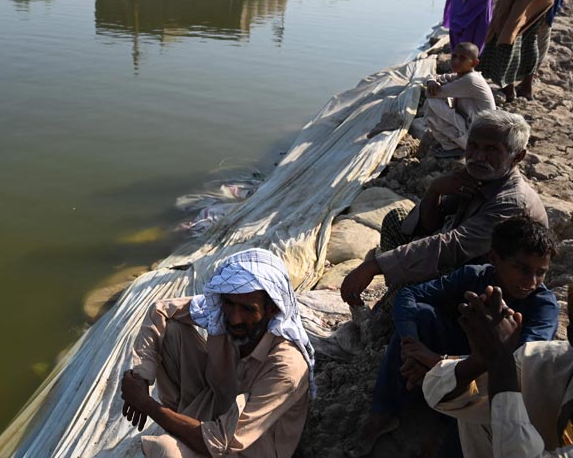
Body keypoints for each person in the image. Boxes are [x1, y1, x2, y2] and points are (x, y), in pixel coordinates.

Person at [345, 216, 558, 457]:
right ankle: (382, 413)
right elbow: (408, 296)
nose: (531, 282)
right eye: (522, 269)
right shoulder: (475, 277)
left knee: (481, 410)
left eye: (540, 273)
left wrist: (439, 361)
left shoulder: (543, 307)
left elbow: (518, 365)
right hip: (454, 362)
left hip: (492, 380)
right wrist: (411, 347)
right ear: (495, 259)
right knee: (422, 316)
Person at [120, 248, 314, 458]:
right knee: (171, 329)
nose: (234, 319)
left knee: (166, 451)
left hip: (245, 448)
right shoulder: (222, 315)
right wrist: (141, 377)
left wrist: (146, 404)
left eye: (248, 309)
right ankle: (179, 420)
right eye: (229, 304)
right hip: (216, 403)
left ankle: (178, 428)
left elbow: (219, 442)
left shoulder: (286, 367)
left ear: (271, 310)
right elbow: (160, 310)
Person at [340, 110, 547, 306]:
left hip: (491, 285)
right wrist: (435, 191)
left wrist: (375, 266)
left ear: (517, 157)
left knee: (416, 283)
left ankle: (394, 314)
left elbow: (453, 246)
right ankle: (394, 297)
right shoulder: (476, 177)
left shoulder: (511, 202)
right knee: (397, 218)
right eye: (473, 146)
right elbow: (428, 227)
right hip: (463, 262)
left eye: (491, 149)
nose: (478, 156)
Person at [423, 284, 573, 457]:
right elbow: (438, 393)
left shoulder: (543, 306)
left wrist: (500, 360)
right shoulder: (541, 360)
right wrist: (480, 359)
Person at [424, 42, 496, 158]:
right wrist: (431, 82)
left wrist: (432, 87)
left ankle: (452, 147)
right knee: (435, 101)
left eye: (462, 58)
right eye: (454, 56)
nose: (456, 61)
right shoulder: (461, 75)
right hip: (473, 129)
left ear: (475, 63)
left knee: (431, 103)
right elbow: (433, 76)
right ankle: (455, 144)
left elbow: (432, 94)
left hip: (480, 138)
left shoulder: (471, 80)